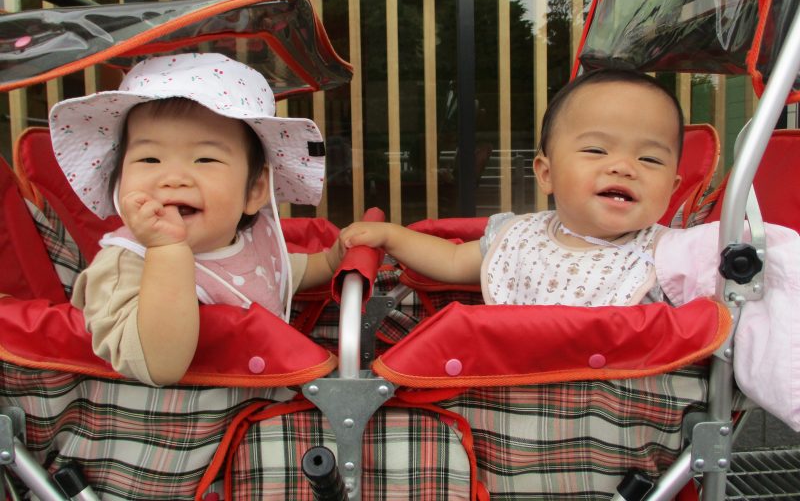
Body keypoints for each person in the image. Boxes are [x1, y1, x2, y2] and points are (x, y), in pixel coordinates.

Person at [50, 53, 344, 386]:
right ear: (118, 182)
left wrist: (331, 260)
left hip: (263, 397)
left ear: (255, 189)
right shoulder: (126, 264)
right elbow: (158, 365)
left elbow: (279, 271)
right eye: (149, 158)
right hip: (189, 427)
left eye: (204, 159)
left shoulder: (249, 236)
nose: (173, 178)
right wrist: (166, 250)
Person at [339, 68, 685, 307]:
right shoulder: (517, 237)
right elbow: (452, 259)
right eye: (596, 150)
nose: (623, 167)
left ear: (673, 187)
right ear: (546, 173)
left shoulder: (675, 256)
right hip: (512, 398)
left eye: (650, 160)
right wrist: (392, 237)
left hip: (615, 404)